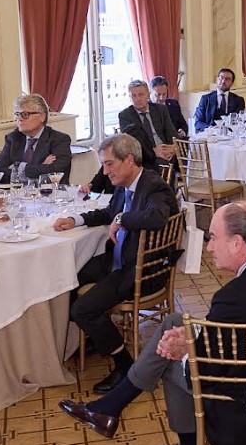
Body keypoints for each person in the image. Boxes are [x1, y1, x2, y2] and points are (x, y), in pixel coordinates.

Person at [58, 202, 246, 445]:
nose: (209, 247)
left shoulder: (233, 298)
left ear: (238, 243)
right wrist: (186, 342)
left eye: (214, 237)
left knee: (170, 361)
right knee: (174, 322)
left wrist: (182, 352)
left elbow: (204, 368)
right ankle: (110, 408)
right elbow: (241, 336)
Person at [52, 133, 176, 392]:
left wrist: (122, 218)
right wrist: (77, 220)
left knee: (81, 309)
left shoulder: (153, 185)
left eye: (109, 164)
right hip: (119, 259)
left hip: (141, 269)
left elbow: (156, 217)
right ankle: (99, 335)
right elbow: (109, 213)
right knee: (69, 276)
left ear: (129, 159)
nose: (105, 172)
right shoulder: (126, 184)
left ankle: (124, 365)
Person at [0, 93, 73, 184]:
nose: (19, 119)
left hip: (51, 195)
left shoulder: (59, 139)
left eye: (25, 114)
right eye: (17, 114)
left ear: (42, 117)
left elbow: (55, 173)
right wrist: (41, 166)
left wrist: (19, 168)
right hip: (18, 195)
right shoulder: (13, 138)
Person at [118, 80, 178, 167]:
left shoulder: (161, 110)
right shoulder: (125, 115)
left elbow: (171, 132)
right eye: (133, 96)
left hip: (166, 149)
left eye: (141, 94)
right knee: (162, 165)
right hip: (146, 155)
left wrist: (173, 148)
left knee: (189, 158)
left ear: (148, 94)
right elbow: (131, 145)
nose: (137, 99)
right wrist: (153, 152)